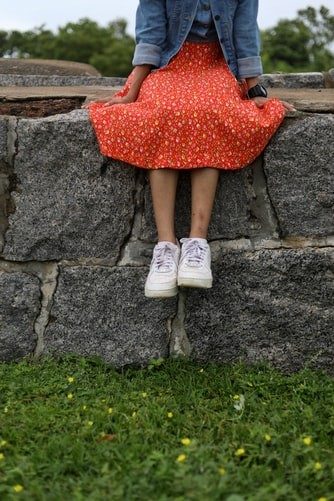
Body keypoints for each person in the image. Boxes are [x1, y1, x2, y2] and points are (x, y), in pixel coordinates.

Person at [85, 0, 295, 299]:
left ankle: (197, 244)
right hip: (168, 67)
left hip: (216, 67)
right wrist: (132, 93)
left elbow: (245, 33)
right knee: (162, 113)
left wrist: (254, 90)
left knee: (210, 113)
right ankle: (166, 247)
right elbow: (151, 34)